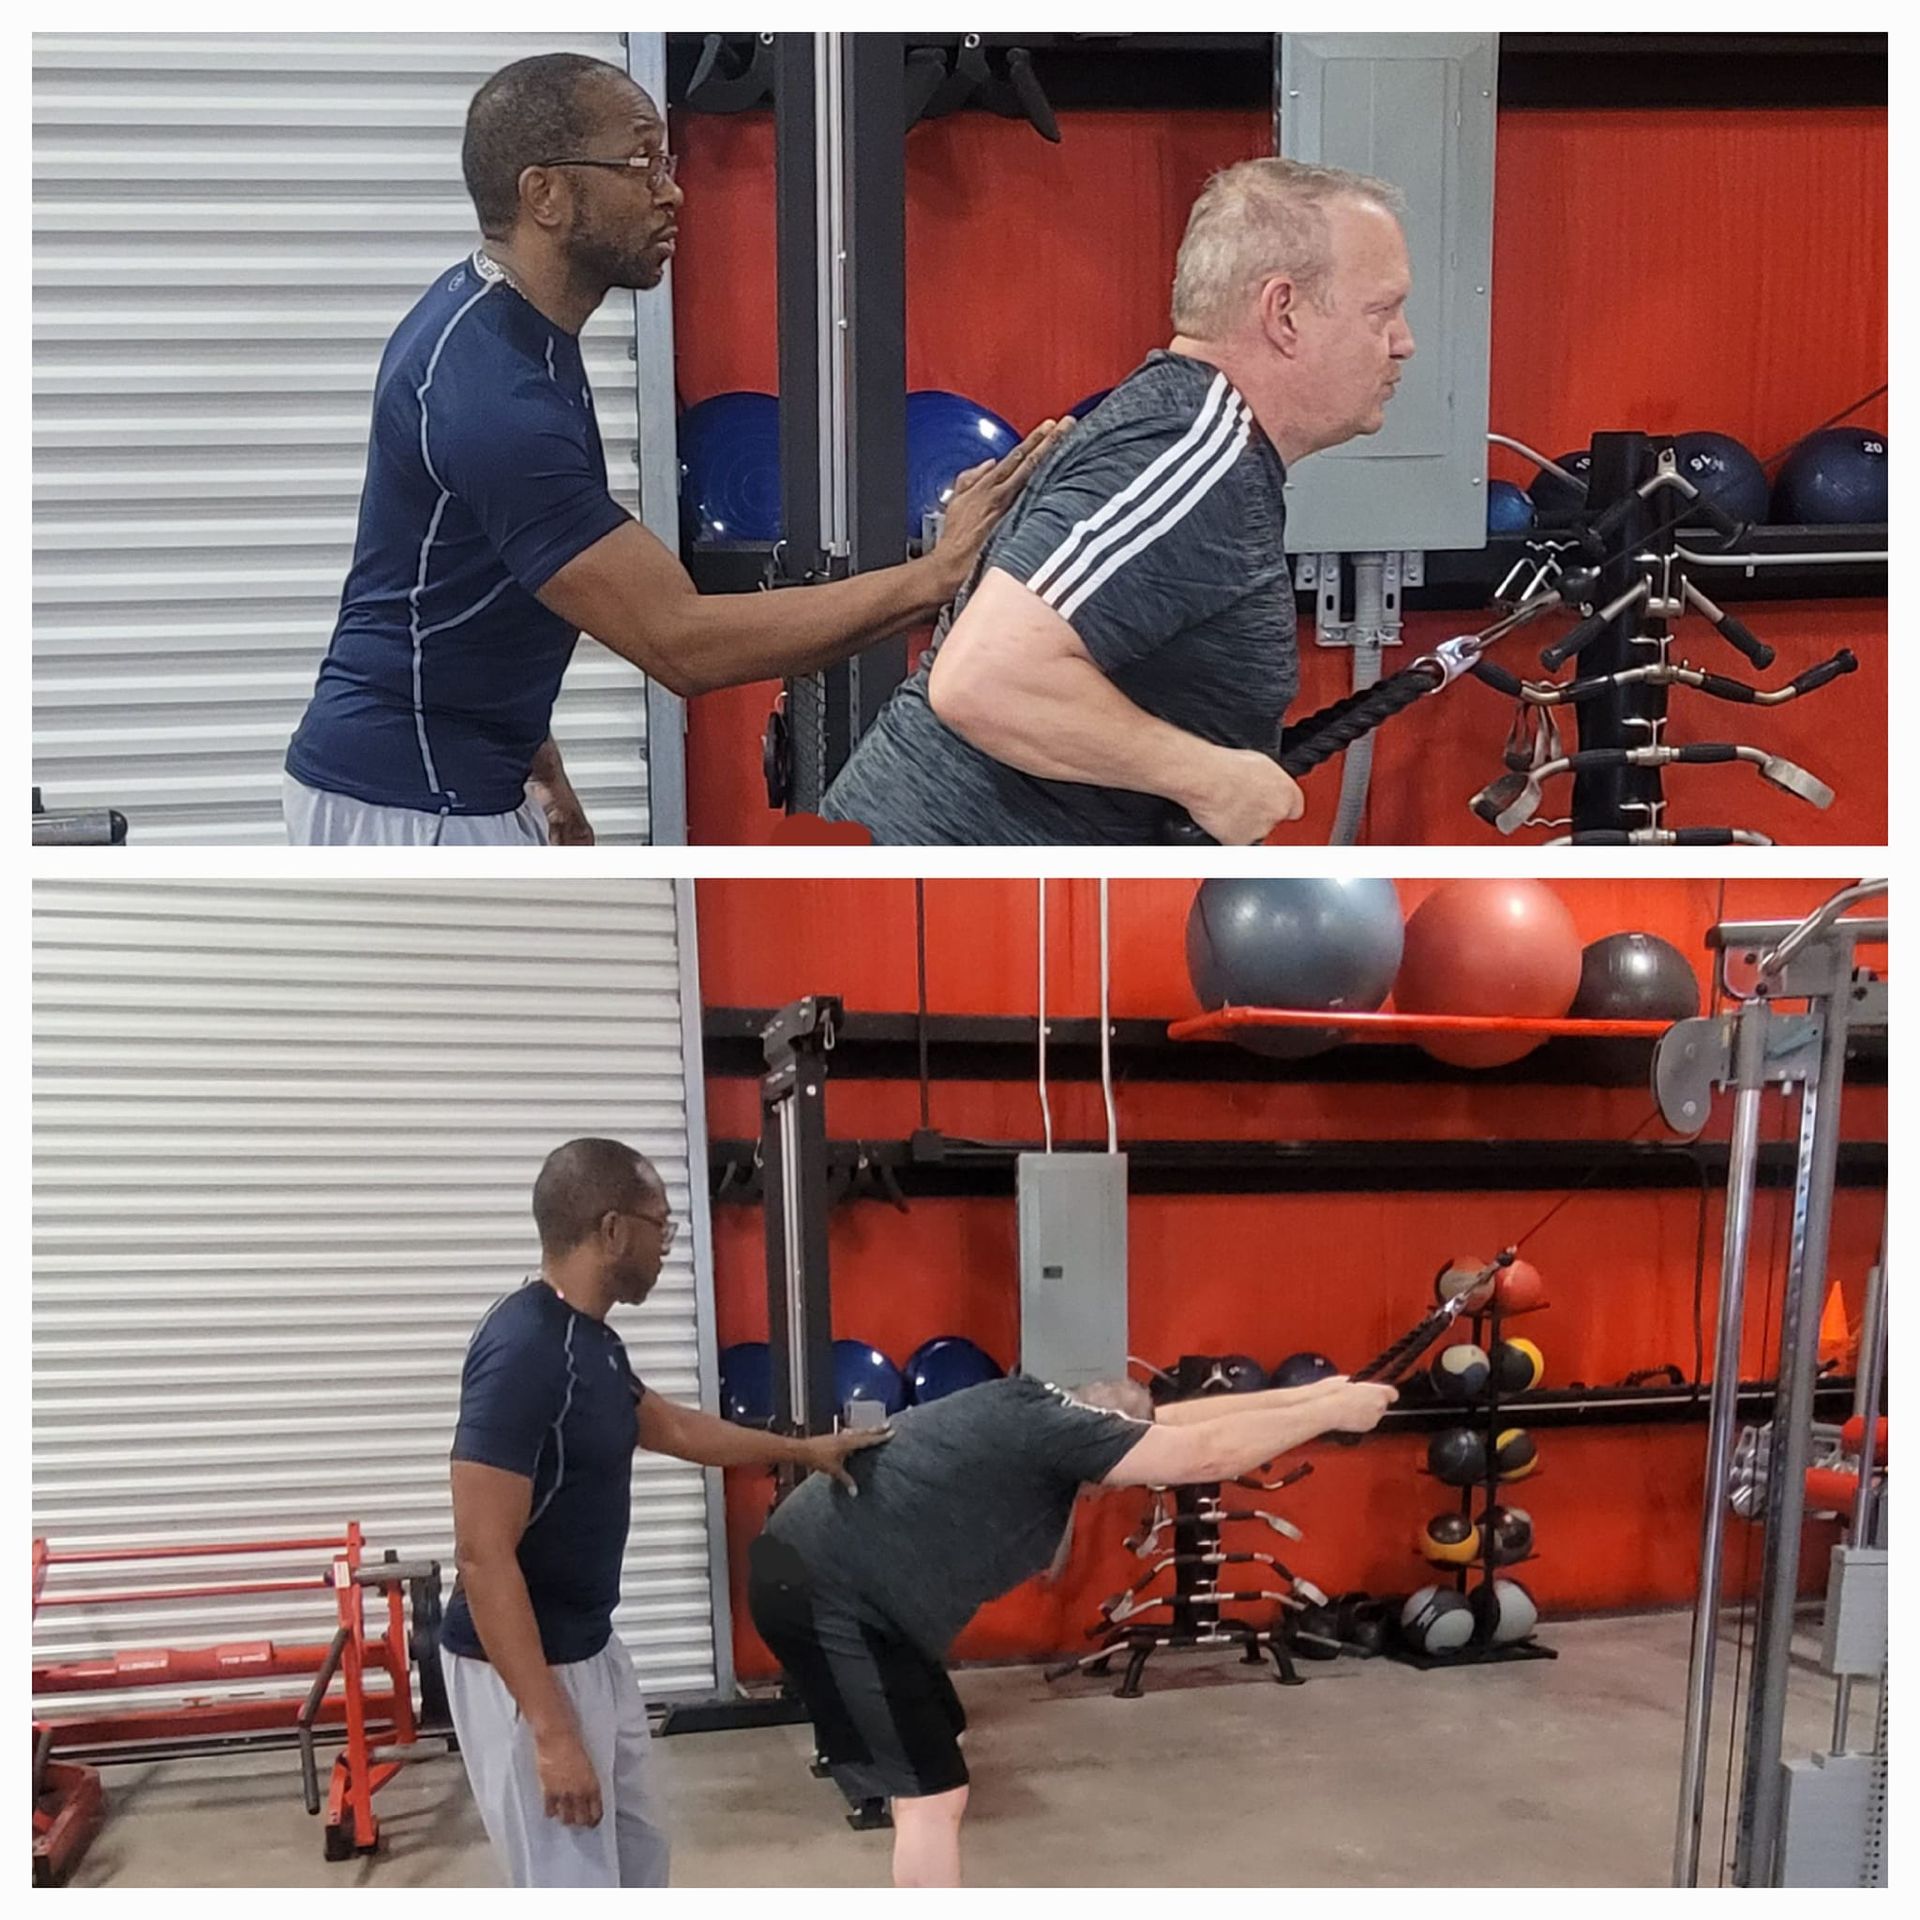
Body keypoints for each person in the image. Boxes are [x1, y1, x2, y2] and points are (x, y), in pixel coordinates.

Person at [284, 53, 1055, 845]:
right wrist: (935, 576)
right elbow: (680, 642)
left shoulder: (508, 331)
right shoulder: (493, 394)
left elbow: (486, 585)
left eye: (666, 163)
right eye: (641, 164)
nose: (671, 191)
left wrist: (545, 774)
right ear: (544, 194)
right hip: (409, 803)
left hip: (459, 779)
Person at [821, 157, 1418, 845]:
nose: (1403, 343)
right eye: (1382, 312)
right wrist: (1209, 778)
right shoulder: (1191, 452)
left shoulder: (1199, 439)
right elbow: (983, 677)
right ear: (1284, 313)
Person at [438, 1137, 889, 1887]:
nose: (666, 1245)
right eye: (661, 1226)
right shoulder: (525, 1351)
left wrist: (805, 1451)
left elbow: (673, 1427)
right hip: (524, 1670)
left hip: (591, 1646)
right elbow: (482, 1556)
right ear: (613, 1231)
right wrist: (551, 1731)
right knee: (572, 1885)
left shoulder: (592, 1343)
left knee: (641, 1862)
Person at [747, 1367, 1397, 1885]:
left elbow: (1170, 1423)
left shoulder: (1043, 1407)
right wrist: (1330, 1417)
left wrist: (1313, 1396)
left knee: (941, 1738)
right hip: (824, 1596)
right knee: (933, 1796)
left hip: (830, 1582)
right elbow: (1202, 1454)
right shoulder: (1063, 1438)